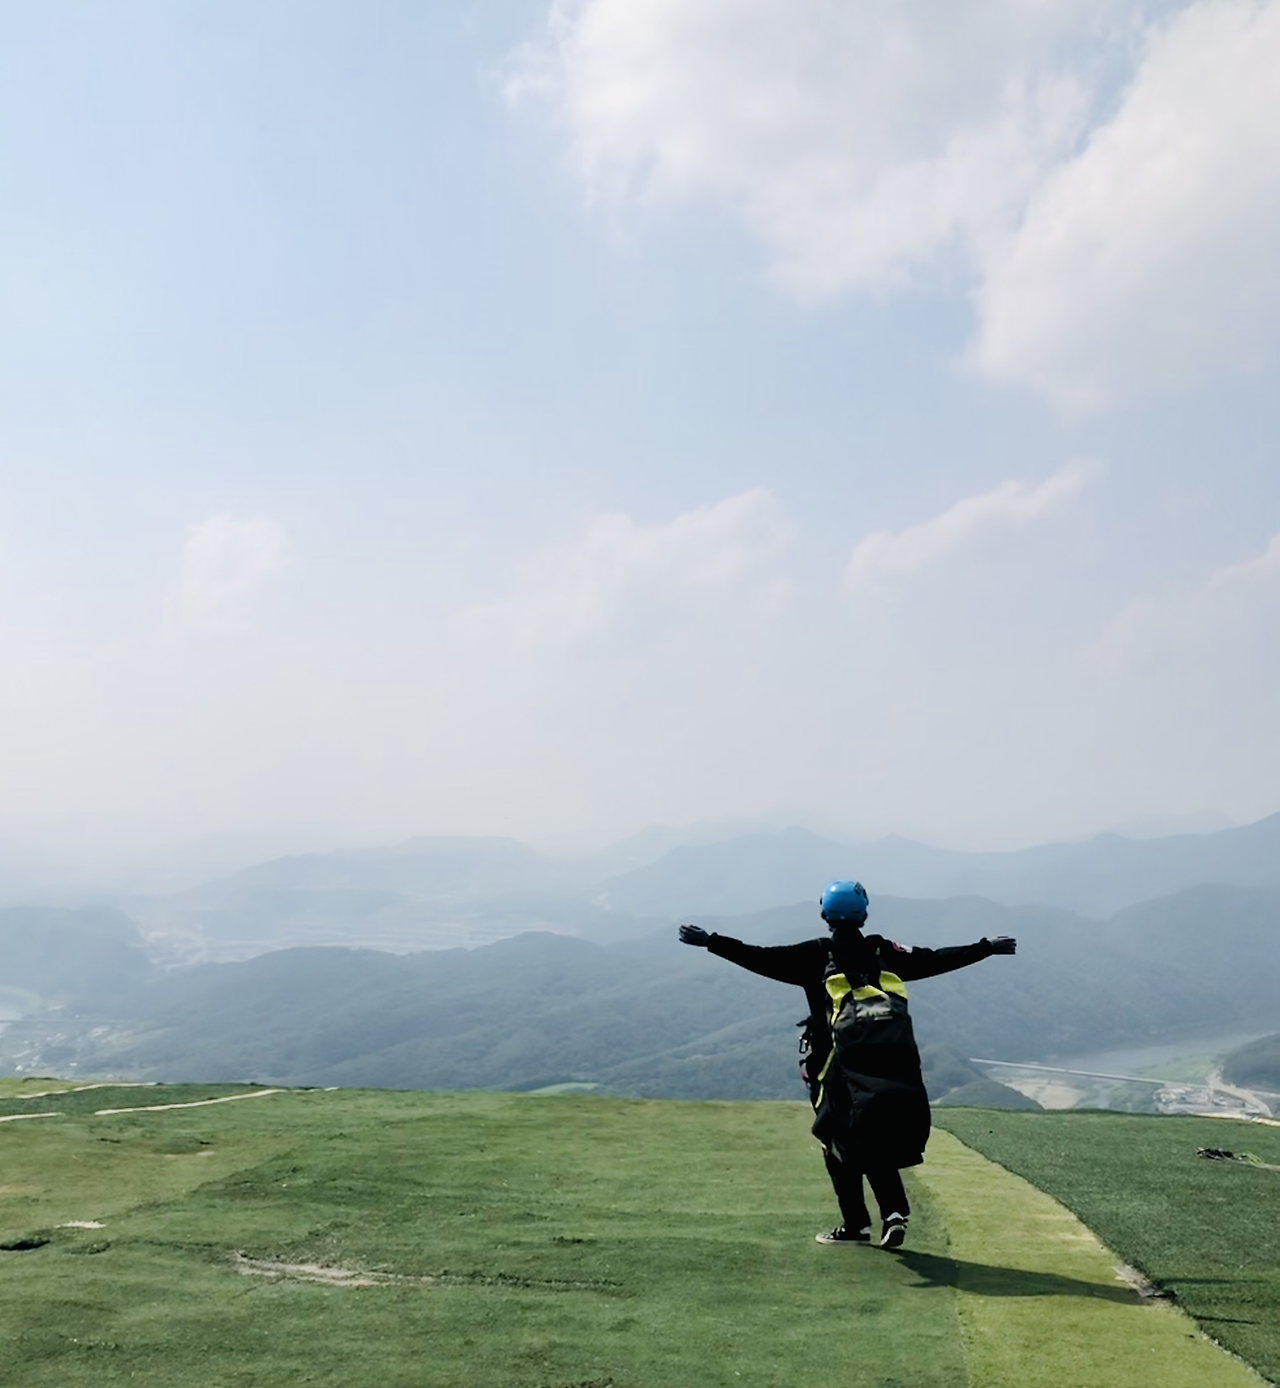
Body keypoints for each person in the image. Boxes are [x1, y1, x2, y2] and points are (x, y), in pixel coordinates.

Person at [679, 880, 1015, 1249]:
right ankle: (893, 1212)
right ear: (864, 914)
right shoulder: (884, 952)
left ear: (825, 914)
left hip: (834, 1066)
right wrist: (986, 948)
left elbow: (758, 956)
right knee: (876, 1130)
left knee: (834, 1139)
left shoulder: (815, 955)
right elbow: (935, 959)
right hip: (890, 1061)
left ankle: (856, 1225)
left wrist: (711, 941)